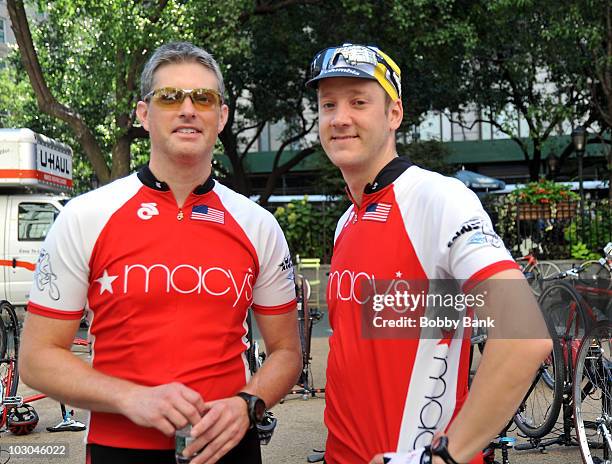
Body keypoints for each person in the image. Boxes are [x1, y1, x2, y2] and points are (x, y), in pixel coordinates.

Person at [20, 41, 302, 464]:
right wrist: (130, 397)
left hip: (228, 447)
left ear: (221, 116)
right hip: (118, 449)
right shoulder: (86, 216)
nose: (188, 109)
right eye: (170, 97)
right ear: (143, 114)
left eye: (203, 98)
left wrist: (249, 403)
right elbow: (37, 359)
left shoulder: (257, 223)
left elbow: (287, 352)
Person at [305, 43, 552, 464]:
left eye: (359, 102)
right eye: (328, 104)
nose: (340, 117)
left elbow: (525, 336)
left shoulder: (439, 198)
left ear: (394, 114)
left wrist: (446, 456)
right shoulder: (347, 220)